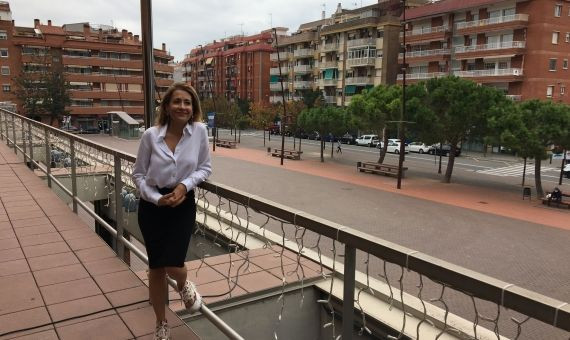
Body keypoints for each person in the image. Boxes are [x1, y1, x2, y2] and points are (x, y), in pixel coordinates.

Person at [133, 83, 211, 340]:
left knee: (174, 263)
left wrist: (184, 186)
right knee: (156, 268)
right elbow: (139, 175)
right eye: (177, 101)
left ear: (193, 108)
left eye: (187, 102)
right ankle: (161, 323)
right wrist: (157, 199)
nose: (182, 106)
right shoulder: (150, 136)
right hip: (153, 208)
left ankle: (184, 284)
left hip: (182, 204)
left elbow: (204, 169)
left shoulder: (199, 131)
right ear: (166, 106)